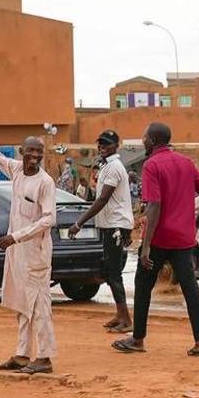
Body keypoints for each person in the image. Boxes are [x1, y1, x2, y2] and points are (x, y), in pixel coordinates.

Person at [0, 108, 58, 375]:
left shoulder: (45, 182)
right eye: (30, 152)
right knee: (21, 304)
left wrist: (15, 237)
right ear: (21, 152)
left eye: (39, 153)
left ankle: (45, 357)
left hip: (35, 254)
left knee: (40, 305)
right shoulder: (15, 170)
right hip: (16, 254)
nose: (35, 157)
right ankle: (21, 354)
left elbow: (48, 219)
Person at [111, 122, 199, 357]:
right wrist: (195, 224)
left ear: (153, 141)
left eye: (145, 137)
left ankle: (138, 339)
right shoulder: (186, 162)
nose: (143, 140)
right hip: (183, 238)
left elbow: (154, 205)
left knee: (143, 286)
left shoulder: (152, 165)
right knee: (190, 289)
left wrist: (145, 246)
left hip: (159, 238)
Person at [68, 130, 134, 333]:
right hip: (111, 225)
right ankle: (120, 314)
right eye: (100, 143)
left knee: (114, 274)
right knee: (110, 271)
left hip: (115, 226)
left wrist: (79, 223)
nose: (102, 147)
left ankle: (126, 320)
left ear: (116, 145)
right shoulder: (108, 166)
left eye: (106, 143)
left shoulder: (114, 167)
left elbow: (103, 199)